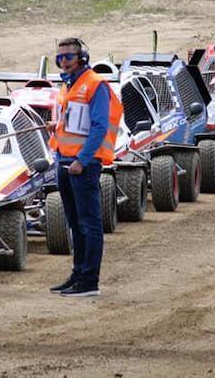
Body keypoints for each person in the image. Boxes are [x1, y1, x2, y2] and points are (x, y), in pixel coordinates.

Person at [47, 38, 123, 297]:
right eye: (60, 58)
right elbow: (74, 123)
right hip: (65, 161)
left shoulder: (95, 84)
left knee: (89, 224)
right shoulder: (68, 85)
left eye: (68, 57)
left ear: (82, 57)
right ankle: (78, 274)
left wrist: (83, 160)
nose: (64, 62)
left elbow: (100, 127)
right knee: (75, 223)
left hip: (83, 165)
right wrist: (55, 129)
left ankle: (90, 281)